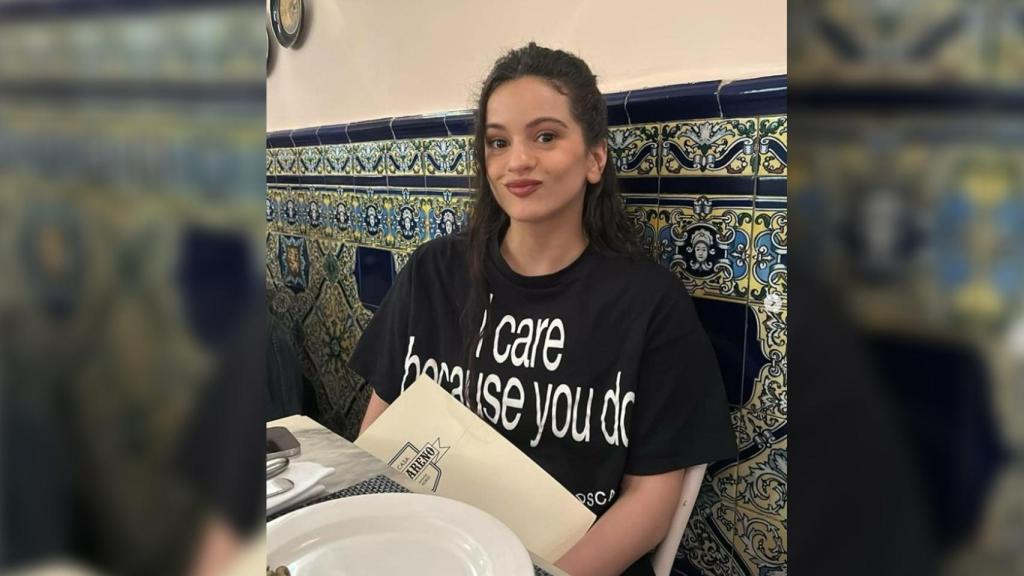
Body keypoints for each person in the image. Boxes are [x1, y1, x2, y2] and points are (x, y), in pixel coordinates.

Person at [349, 43, 735, 576]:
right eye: (497, 142)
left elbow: (650, 503)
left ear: (595, 158)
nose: (518, 161)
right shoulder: (432, 273)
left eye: (546, 136)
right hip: (428, 551)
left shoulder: (648, 304)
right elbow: (379, 432)